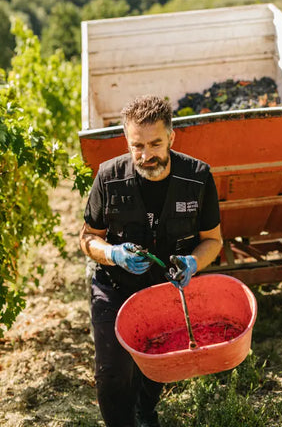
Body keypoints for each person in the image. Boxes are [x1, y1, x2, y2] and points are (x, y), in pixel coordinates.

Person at [79, 94, 222, 427]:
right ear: (127, 142)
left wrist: (192, 263)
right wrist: (113, 254)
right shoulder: (108, 177)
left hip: (163, 290)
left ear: (172, 137)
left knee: (155, 363)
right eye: (136, 146)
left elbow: (213, 241)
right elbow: (88, 237)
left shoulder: (198, 178)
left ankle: (146, 412)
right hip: (114, 286)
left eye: (155, 144)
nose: (145, 156)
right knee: (114, 371)